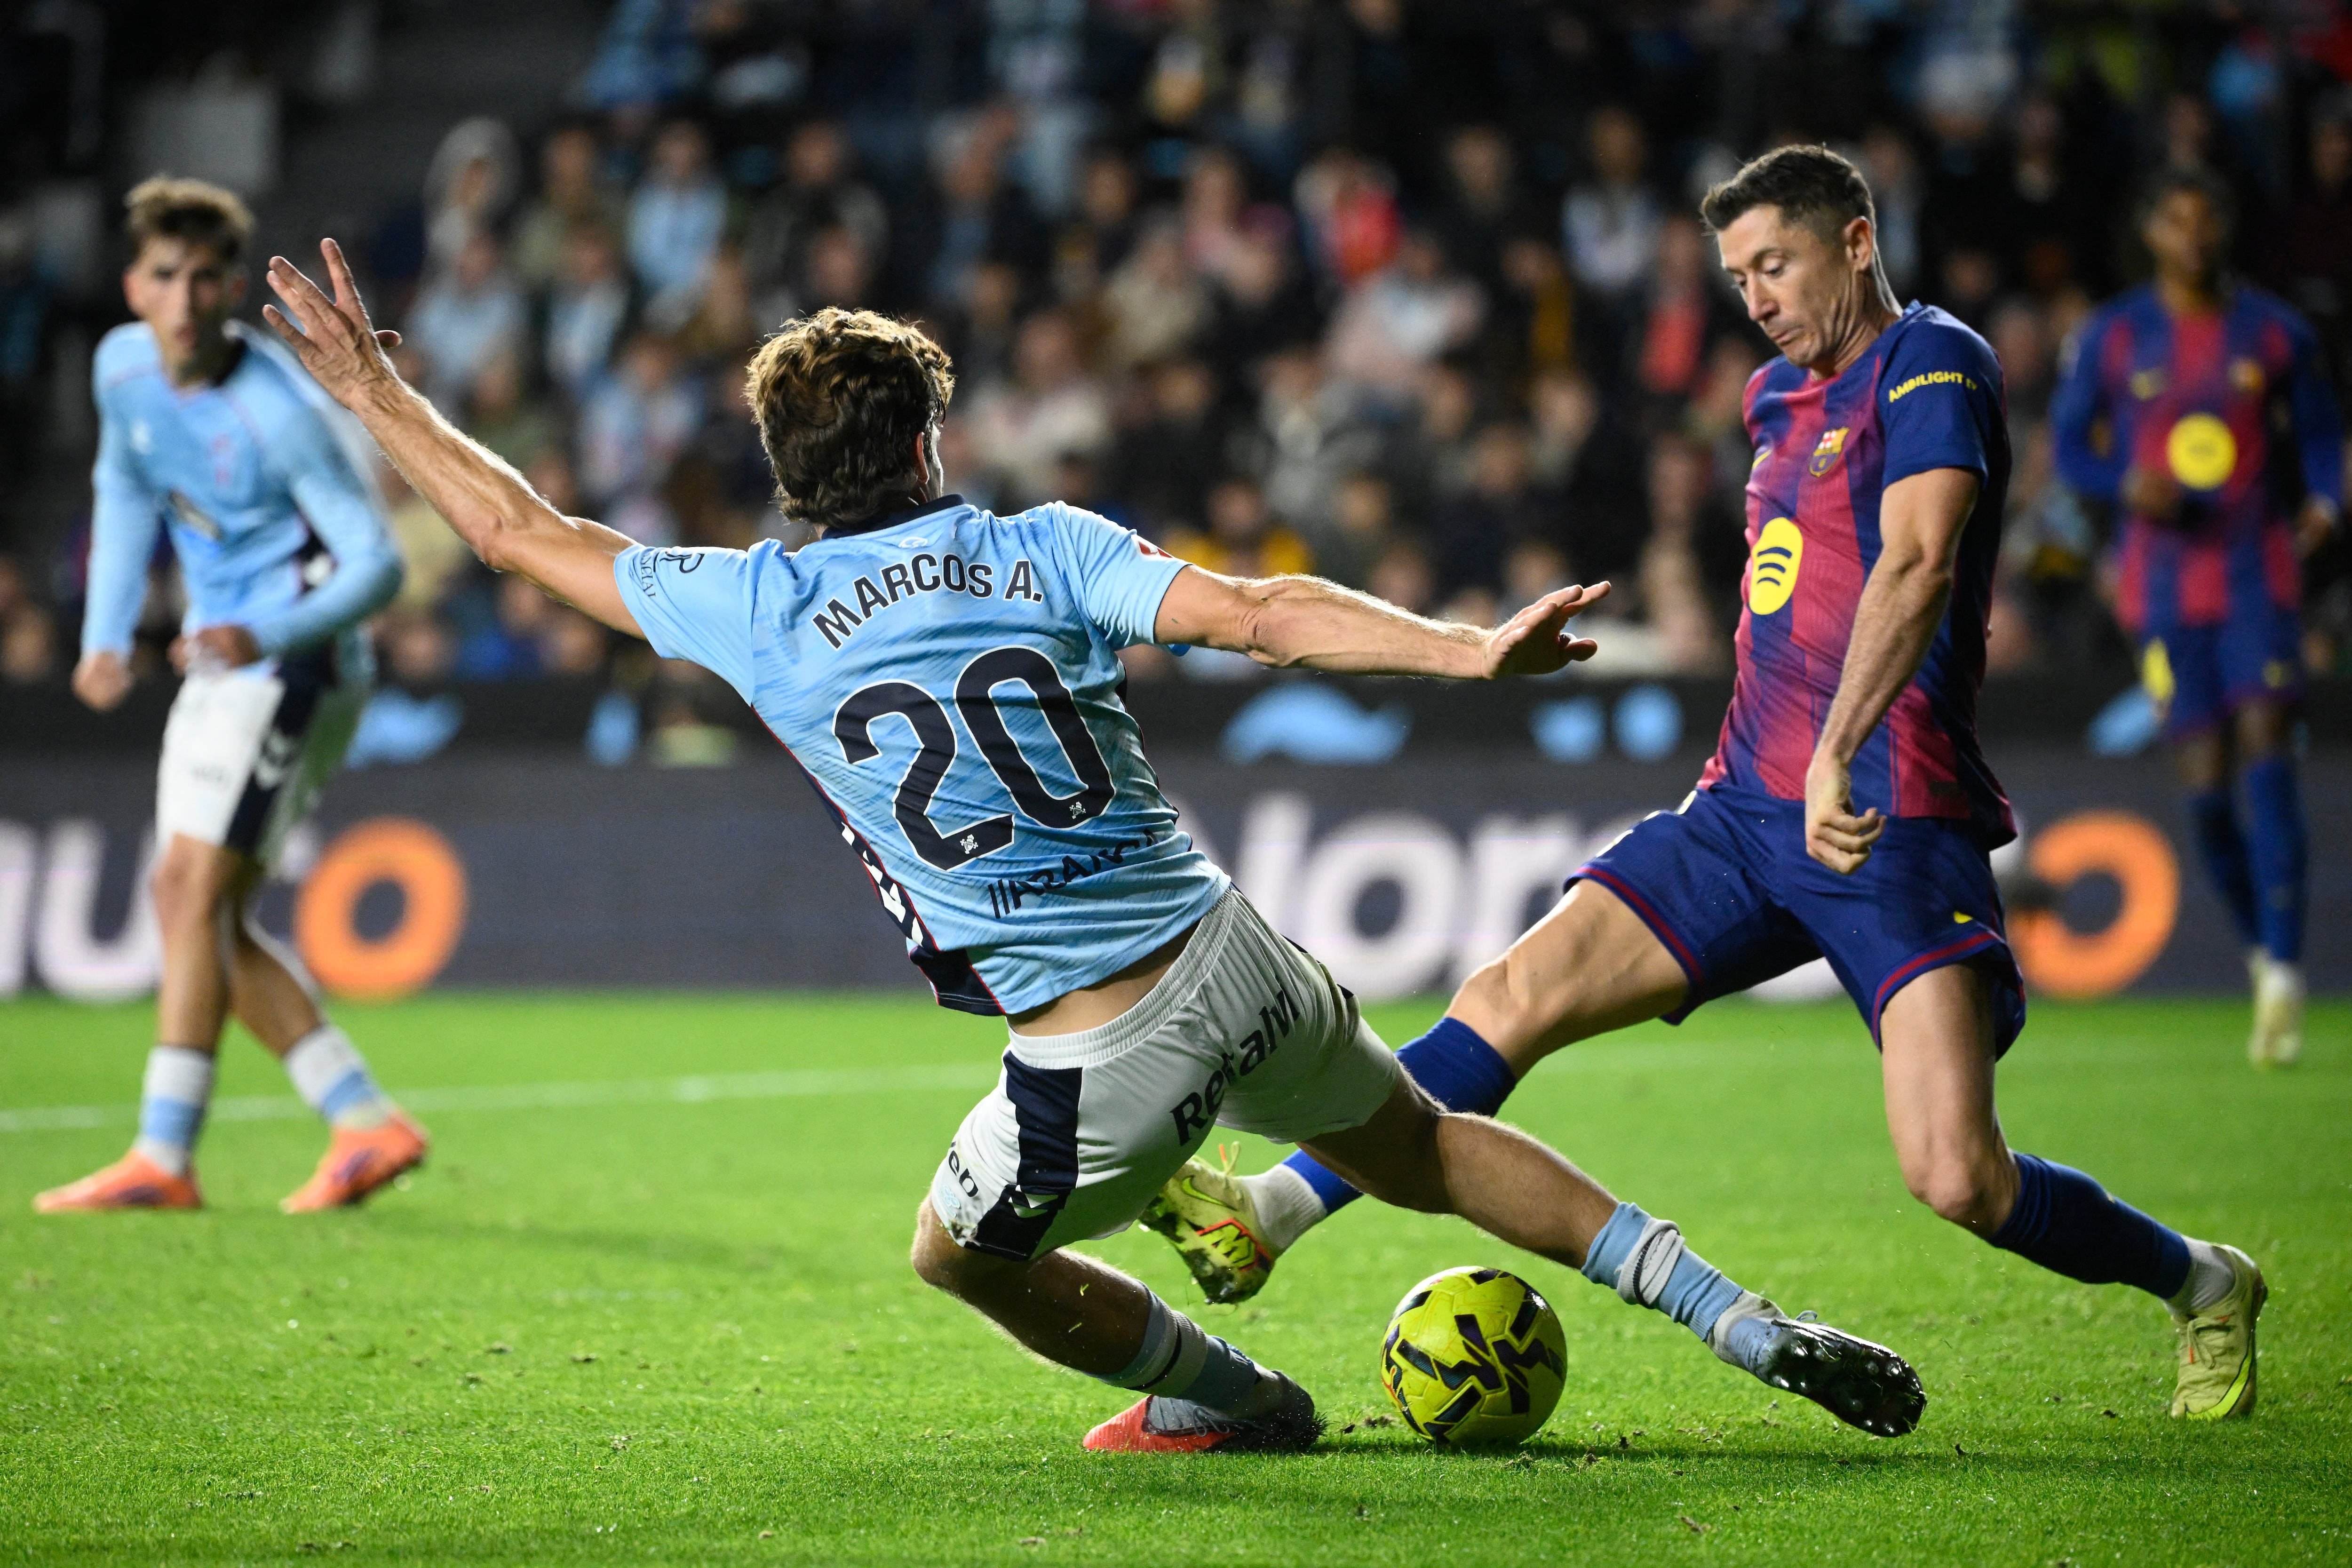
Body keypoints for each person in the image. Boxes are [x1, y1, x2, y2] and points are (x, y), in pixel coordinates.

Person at [260, 243, 1929, 1451]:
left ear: (785, 473)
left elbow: (507, 528)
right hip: (1234, 952)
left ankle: (1233, 1398)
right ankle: (1740, 1319)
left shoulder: (752, 604)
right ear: (925, 446)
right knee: (1419, 1144)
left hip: (1090, 1057)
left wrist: (376, 390)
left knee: (954, 1253)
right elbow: (1265, 616)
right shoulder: (1040, 542)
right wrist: (1469, 648)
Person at [1147, 145, 2270, 1425]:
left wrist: (1839, 746)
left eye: (1776, 264)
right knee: (1510, 993)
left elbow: (1918, 567)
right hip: (1742, 813)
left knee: (1960, 1176)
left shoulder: (1937, 363)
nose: (1758, 296)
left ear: (1856, 241)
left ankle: (2202, 1276)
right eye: (1738, 276)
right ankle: (1274, 1209)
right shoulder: (1772, 401)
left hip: (1885, 816)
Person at [37, 178, 422, 1216]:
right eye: (166, 275)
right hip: (224, 662)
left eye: (207, 276)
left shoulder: (277, 409)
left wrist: (266, 632)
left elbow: (377, 568)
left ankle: (165, 1154)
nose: (186, 297)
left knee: (194, 894)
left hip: (296, 664)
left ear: (227, 290)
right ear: (134, 285)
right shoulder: (122, 368)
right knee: (192, 903)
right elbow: (124, 485)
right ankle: (362, 1119)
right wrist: (106, 634)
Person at [2052, 168, 2342, 1070]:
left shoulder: (2275, 330)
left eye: (2207, 216)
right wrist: (2118, 484)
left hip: (2258, 574)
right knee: (2206, 785)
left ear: (2223, 227)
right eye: (2176, 220)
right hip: (2164, 588)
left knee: (2266, 753)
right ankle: (2262, 948)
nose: (2194, 235)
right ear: (2152, 233)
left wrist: (2328, 499)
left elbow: (2326, 434)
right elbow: (2070, 448)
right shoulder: (2116, 335)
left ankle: (2288, 971)